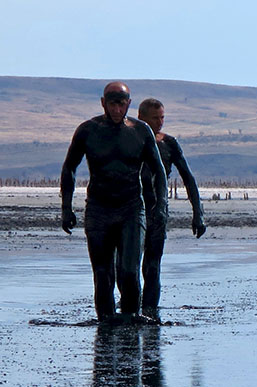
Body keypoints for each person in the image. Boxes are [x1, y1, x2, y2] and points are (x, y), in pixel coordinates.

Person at [60, 82, 168, 321]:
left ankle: (131, 320)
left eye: (122, 104)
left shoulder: (140, 132)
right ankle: (105, 325)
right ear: (103, 103)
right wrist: (66, 208)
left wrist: (160, 205)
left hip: (131, 208)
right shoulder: (88, 131)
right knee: (103, 274)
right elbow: (69, 168)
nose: (117, 109)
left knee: (129, 272)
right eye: (112, 104)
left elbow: (158, 171)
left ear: (128, 104)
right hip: (99, 209)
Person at [137, 98, 207, 316]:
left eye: (162, 118)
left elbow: (188, 178)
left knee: (152, 265)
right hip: (132, 208)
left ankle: (150, 313)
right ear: (141, 119)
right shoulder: (130, 140)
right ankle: (129, 307)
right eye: (155, 118)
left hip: (158, 211)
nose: (160, 123)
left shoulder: (168, 143)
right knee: (126, 265)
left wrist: (198, 213)